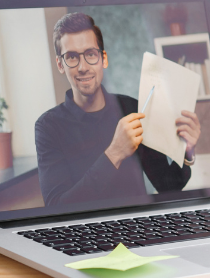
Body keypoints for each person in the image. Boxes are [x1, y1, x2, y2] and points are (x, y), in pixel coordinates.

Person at [35, 12, 201, 207]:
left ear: (103, 59)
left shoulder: (131, 108)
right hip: (88, 234)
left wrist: (187, 151)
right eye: (71, 57)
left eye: (90, 54)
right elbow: (56, 207)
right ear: (60, 64)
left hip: (137, 229)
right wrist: (114, 153)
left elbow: (168, 186)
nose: (82, 67)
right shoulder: (48, 127)